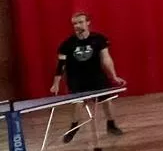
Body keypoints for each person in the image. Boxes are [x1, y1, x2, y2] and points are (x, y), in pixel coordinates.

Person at [52, 11, 126, 141]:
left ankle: (111, 125)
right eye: (75, 23)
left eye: (80, 22)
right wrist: (56, 83)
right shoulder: (67, 44)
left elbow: (106, 59)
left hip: (96, 76)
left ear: (88, 23)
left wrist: (114, 76)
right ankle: (74, 128)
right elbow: (61, 65)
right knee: (78, 103)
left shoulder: (99, 39)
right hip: (77, 78)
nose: (77, 25)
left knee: (107, 100)